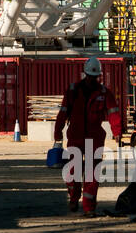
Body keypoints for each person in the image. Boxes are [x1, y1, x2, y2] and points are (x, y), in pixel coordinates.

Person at [52, 56, 122, 215]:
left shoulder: (104, 93)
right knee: (73, 171)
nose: (92, 79)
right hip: (76, 137)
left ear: (98, 76)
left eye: (94, 76)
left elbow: (113, 113)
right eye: (90, 76)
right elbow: (63, 112)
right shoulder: (73, 90)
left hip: (95, 138)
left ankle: (89, 207)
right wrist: (58, 132)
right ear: (85, 74)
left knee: (92, 173)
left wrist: (117, 132)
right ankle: (73, 197)